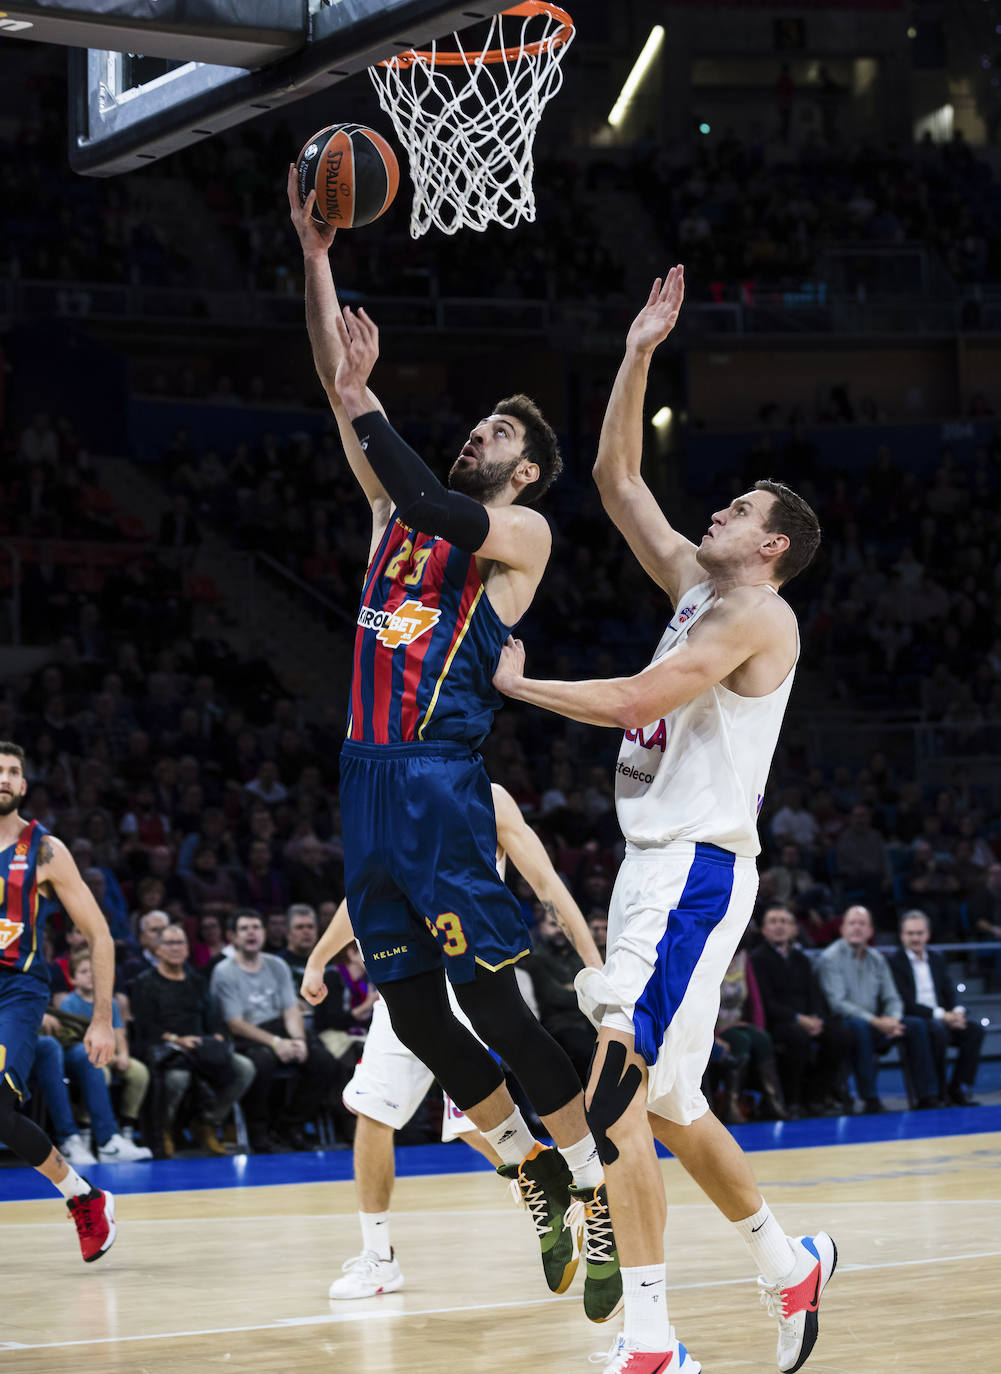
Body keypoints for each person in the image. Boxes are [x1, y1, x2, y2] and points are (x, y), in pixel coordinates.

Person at [287, 169, 618, 1319]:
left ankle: (589, 1181)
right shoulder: (393, 518)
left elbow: (421, 489)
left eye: (496, 434)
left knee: (496, 1007)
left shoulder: (517, 537)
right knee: (414, 1014)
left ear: (521, 471)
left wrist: (369, 403)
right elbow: (346, 402)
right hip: (364, 783)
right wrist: (317, 251)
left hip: (438, 785)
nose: (477, 434)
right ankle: (528, 1167)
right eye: (476, 425)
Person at [493, 270, 834, 1374]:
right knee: (674, 1110)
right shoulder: (694, 581)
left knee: (613, 1095)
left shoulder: (755, 614)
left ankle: (650, 1342)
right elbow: (613, 474)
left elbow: (640, 701)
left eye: (741, 510)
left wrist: (523, 687)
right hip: (653, 868)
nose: (718, 510)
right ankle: (788, 1265)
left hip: (689, 869)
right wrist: (639, 349)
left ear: (773, 545)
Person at [302, 782, 604, 1302]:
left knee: (469, 1121)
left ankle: (579, 1187)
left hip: (471, 973)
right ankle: (379, 1257)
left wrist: (595, 967)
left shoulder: (486, 796)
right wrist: (319, 954)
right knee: (373, 1110)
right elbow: (366, 895)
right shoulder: (384, 795)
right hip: (404, 976)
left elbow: (547, 884)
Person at [0, 741, 117, 1260]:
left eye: (12, 772)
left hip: (15, 991)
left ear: (23, 786)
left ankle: (82, 1199)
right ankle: (85, 1196)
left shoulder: (44, 850)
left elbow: (101, 936)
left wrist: (101, 1021)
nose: (3, 778)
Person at [209, 909, 341, 1152]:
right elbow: (235, 1023)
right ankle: (259, 1131)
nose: (251, 933)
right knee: (263, 1062)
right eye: (244, 929)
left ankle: (291, 1125)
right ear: (233, 937)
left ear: (264, 933)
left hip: (280, 1029)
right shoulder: (224, 971)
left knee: (323, 1061)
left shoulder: (277, 964)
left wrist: (298, 1040)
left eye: (256, 927)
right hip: (246, 1036)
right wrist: (276, 1043)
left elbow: (291, 1009)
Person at [131, 923, 255, 1156]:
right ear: (157, 949)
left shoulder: (196, 980)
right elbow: (144, 1025)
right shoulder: (145, 982)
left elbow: (213, 1016)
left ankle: (207, 1123)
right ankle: (164, 1130)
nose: (176, 948)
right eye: (170, 943)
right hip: (167, 1050)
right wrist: (177, 1040)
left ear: (188, 949)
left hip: (200, 1047)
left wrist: (216, 1035)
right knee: (178, 1078)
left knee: (244, 1068)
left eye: (180, 943)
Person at [816, 906, 940, 1111]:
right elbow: (837, 1003)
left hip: (878, 1023)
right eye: (852, 923)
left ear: (870, 931)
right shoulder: (830, 958)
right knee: (859, 1026)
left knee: (916, 1025)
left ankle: (927, 1095)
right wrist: (875, 1021)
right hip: (844, 1023)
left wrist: (893, 1019)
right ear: (842, 929)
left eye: (862, 924)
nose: (857, 928)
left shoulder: (877, 959)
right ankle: (870, 1098)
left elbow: (893, 997)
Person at [751, 906, 853, 1116]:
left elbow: (814, 994)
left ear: (794, 929)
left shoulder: (801, 959)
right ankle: (792, 1100)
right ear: (764, 930)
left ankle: (817, 1094)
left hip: (806, 1019)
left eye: (784, 921)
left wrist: (816, 1018)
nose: (779, 926)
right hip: (778, 1021)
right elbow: (765, 1002)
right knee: (796, 1037)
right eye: (773, 921)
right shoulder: (757, 959)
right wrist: (798, 1018)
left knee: (839, 1034)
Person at [888, 909, 984, 1106]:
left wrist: (958, 1011)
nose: (915, 938)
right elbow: (904, 1002)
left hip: (944, 1017)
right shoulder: (894, 962)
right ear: (902, 936)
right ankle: (937, 1092)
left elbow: (951, 991)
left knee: (975, 1030)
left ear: (928, 935)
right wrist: (941, 1015)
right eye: (910, 933)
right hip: (917, 1018)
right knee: (936, 1029)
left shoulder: (937, 958)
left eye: (919, 933)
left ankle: (958, 1087)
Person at [62, 949, 152, 1150]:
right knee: (99, 1074)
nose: (91, 976)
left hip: (111, 1054)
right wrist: (107, 1058)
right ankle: (85, 1126)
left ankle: (127, 1126)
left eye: (94, 971)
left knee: (139, 1073)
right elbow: (73, 1039)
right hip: (87, 1057)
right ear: (73, 978)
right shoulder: (69, 1003)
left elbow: (119, 1031)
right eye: (84, 971)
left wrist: (124, 1055)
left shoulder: (109, 1002)